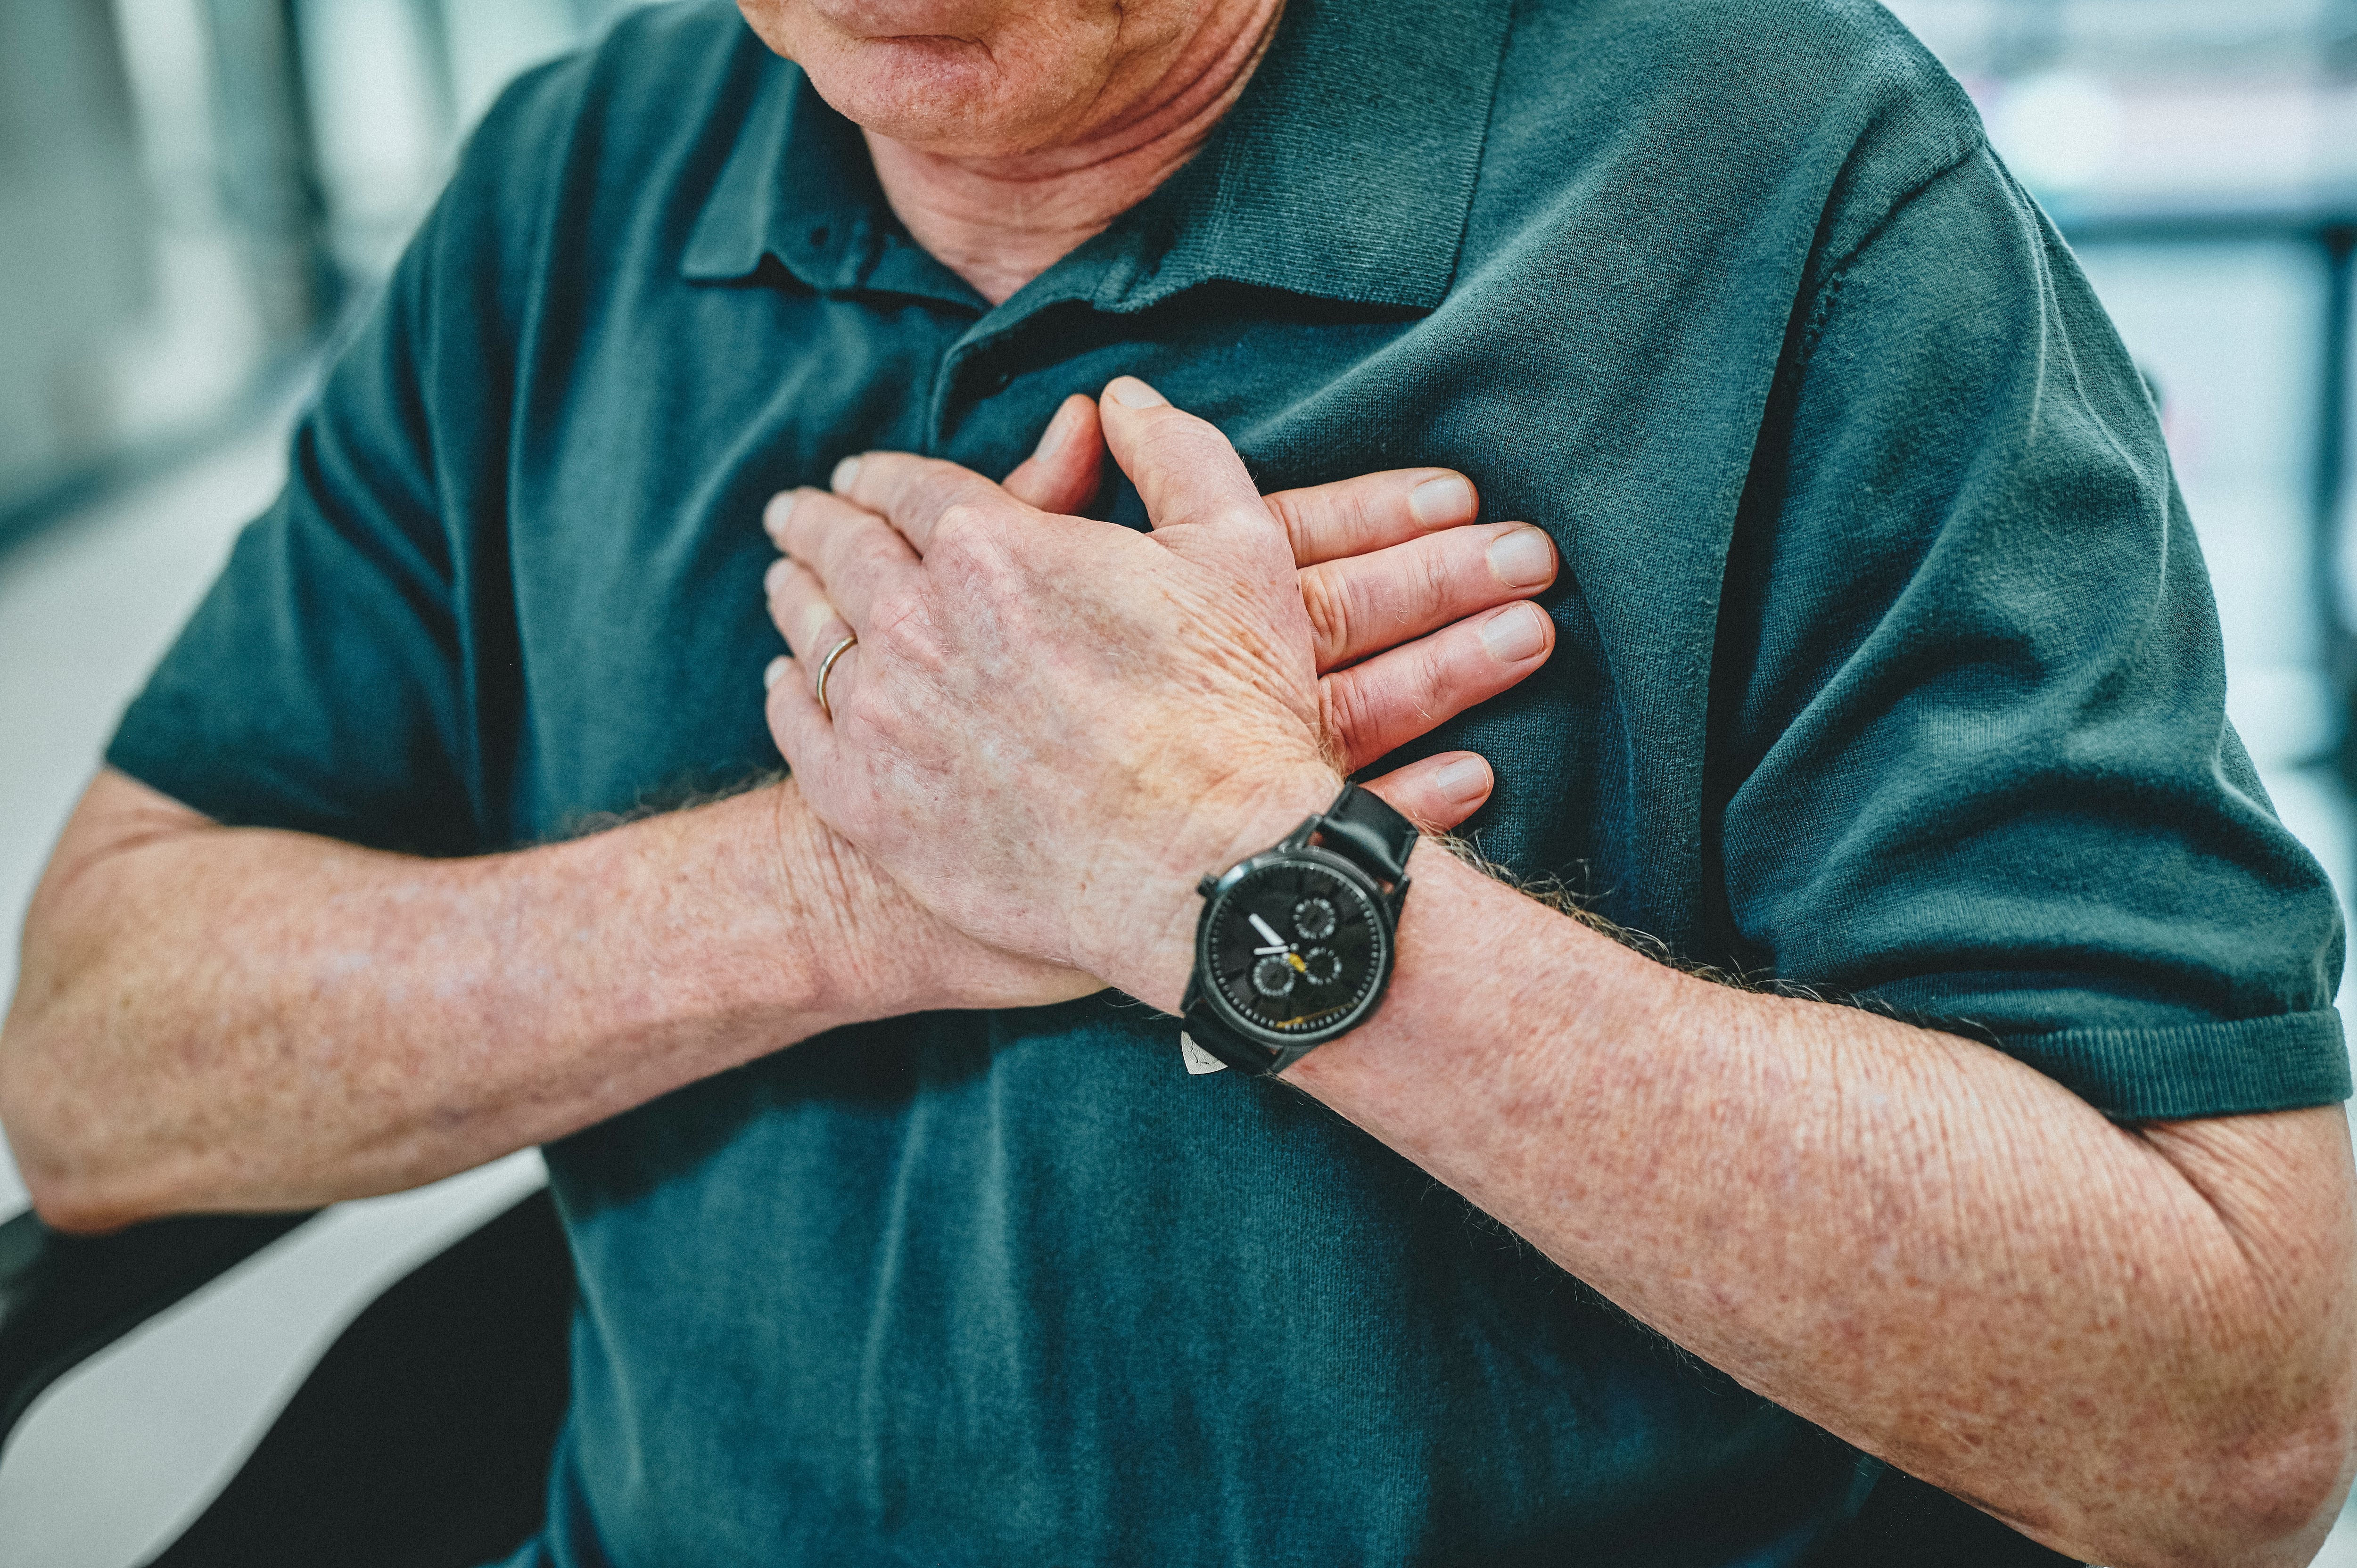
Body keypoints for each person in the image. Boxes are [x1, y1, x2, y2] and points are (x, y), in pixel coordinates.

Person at [4, 0, 2353, 1564]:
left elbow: (2230, 1406)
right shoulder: (571, 184)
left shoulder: (1780, 174)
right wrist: (859, 885)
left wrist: (1229, 873)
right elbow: (98, 1071)